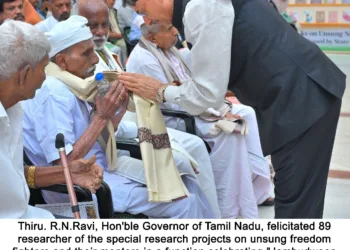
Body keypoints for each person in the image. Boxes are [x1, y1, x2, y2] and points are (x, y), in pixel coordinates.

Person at [120, 0, 346, 218]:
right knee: (300, 199)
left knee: (295, 205)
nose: (148, 19)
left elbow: (207, 93)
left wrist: (159, 90)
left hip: (300, 97)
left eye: (144, 10)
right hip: (303, 89)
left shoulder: (200, 6)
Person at [22, 15, 215, 219]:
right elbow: (64, 162)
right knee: (184, 203)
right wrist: (102, 117)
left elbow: (96, 138)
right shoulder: (54, 92)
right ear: (62, 61)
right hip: (83, 188)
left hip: (105, 170)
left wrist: (119, 107)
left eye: (93, 52)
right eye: (86, 53)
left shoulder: (76, 83)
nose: (95, 60)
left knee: (186, 181)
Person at [74, 0, 221, 218]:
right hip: (118, 133)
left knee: (196, 147)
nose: (100, 32)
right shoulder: (76, 65)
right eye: (92, 26)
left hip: (129, 121)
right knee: (182, 163)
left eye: (105, 25)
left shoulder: (107, 52)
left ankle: (215, 220)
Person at [127, 20, 274, 218]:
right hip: (173, 119)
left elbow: (188, 86)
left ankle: (255, 188)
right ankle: (227, 208)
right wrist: (219, 113)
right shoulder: (145, 59)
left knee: (247, 113)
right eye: (169, 29)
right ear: (153, 37)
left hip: (192, 109)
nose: (175, 32)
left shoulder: (168, 50)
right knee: (230, 132)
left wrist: (219, 108)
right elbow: (170, 103)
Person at [0, 20, 103, 219]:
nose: (46, 77)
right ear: (25, 74)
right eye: (45, 68)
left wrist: (66, 172)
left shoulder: (13, 107)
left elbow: (12, 177)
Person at [104, 0, 128, 66]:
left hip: (119, 34)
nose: (112, 2)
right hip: (109, 38)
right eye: (110, 0)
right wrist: (117, 35)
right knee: (121, 45)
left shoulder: (114, 11)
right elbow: (105, 32)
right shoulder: (101, 13)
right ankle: (122, 66)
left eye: (114, 0)